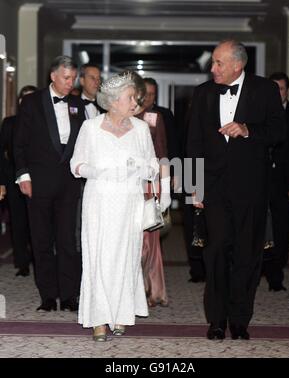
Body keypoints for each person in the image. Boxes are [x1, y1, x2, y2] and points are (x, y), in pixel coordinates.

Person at [186, 40, 285, 340]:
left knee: (247, 255)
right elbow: (193, 142)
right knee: (215, 252)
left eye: (218, 63)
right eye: (213, 63)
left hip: (251, 190)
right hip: (213, 189)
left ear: (237, 65)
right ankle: (216, 321)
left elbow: (279, 133)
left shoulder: (265, 90)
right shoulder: (203, 93)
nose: (212, 68)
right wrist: (194, 186)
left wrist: (248, 130)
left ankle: (240, 319)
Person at [70, 71, 159, 342]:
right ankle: (98, 319)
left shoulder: (141, 128)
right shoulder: (91, 127)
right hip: (99, 202)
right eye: (131, 97)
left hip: (129, 203)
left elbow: (154, 167)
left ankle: (121, 314)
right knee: (98, 258)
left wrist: (140, 167)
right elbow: (76, 165)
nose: (136, 103)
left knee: (126, 258)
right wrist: (97, 171)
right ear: (113, 100)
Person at [14, 56, 85, 312]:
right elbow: (19, 143)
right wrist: (23, 176)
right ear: (53, 76)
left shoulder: (77, 104)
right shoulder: (32, 103)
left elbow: (84, 143)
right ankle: (47, 296)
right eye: (66, 78)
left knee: (67, 241)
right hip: (39, 182)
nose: (71, 83)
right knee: (42, 241)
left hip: (68, 183)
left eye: (73, 78)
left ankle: (68, 295)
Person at [134, 76, 171, 307]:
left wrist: (164, 189)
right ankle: (132, 290)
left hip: (149, 184)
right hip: (126, 184)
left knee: (150, 242)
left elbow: (163, 153)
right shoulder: (123, 114)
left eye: (153, 95)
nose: (149, 98)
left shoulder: (156, 117)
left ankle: (152, 290)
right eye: (145, 94)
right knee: (132, 242)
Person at [263, 72, 289, 291]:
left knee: (280, 230)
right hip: (259, 181)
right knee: (256, 230)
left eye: (281, 89)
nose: (278, 93)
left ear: (288, 90)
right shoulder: (258, 113)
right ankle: (258, 271)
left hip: (286, 184)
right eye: (273, 88)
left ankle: (276, 277)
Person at [0, 85, 37, 277]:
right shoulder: (9, 123)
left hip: (38, 181)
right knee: (18, 221)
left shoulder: (41, 124)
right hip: (14, 179)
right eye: (24, 98)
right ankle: (21, 261)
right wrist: (2, 183)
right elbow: (2, 153)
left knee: (37, 223)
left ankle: (38, 260)